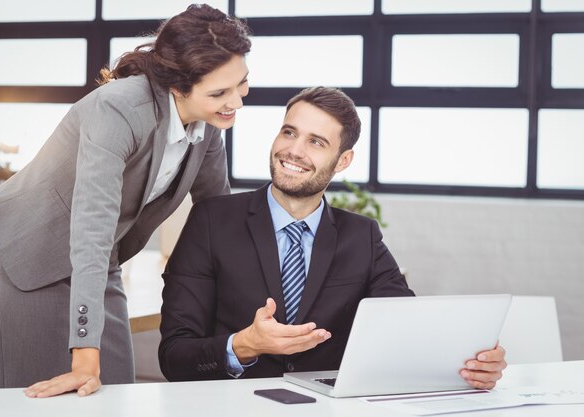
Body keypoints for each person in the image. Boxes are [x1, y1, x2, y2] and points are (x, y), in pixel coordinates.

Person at [0, 4, 251, 398]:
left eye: (242, 83)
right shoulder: (119, 108)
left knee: (116, 390)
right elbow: (92, 226)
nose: (236, 102)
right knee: (38, 397)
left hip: (100, 259)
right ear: (178, 85)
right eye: (219, 93)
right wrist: (85, 355)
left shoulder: (207, 126)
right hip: (32, 252)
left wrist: (249, 309)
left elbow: (218, 215)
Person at [159, 87, 507, 388]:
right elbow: (174, 356)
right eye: (289, 133)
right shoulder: (212, 220)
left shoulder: (361, 236)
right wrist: (245, 345)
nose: (294, 151)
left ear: (343, 160)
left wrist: (473, 361)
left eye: (316, 142)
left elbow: (408, 328)